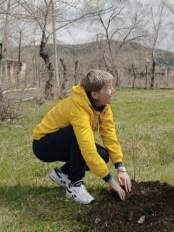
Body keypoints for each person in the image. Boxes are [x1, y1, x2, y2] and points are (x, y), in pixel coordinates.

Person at [32, 69, 132, 204]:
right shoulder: (78, 107)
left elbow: (109, 135)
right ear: (95, 94)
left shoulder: (103, 106)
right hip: (44, 145)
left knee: (103, 155)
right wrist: (110, 181)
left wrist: (120, 168)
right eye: (109, 88)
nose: (113, 90)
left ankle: (62, 173)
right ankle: (74, 185)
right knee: (79, 138)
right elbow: (87, 148)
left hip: (61, 142)